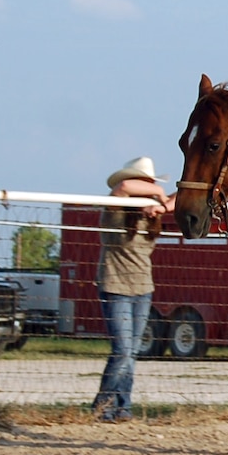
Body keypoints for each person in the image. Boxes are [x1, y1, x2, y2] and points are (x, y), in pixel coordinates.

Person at [92, 156, 174, 422]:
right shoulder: (114, 209)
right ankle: (103, 405)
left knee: (132, 352)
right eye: (146, 183)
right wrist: (159, 193)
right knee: (123, 350)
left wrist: (160, 206)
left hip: (143, 288)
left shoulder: (150, 216)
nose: (149, 187)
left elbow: (183, 195)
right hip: (115, 286)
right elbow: (124, 187)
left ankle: (122, 407)